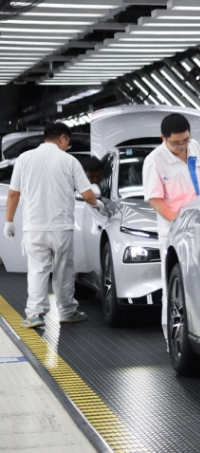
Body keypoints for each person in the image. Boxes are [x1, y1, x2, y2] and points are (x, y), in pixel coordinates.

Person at [4, 122, 104, 328]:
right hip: (61, 226)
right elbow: (87, 194)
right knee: (63, 271)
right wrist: (98, 204)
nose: (68, 146)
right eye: (68, 142)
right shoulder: (69, 160)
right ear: (62, 138)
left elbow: (13, 193)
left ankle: (35, 314)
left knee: (37, 270)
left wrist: (9, 221)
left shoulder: (24, 159)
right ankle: (67, 311)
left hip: (33, 226)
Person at [142, 113, 200, 342]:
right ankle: (173, 341)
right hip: (175, 231)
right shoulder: (154, 161)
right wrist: (179, 223)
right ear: (163, 138)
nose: (182, 146)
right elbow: (156, 201)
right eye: (176, 143)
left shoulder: (195, 147)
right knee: (174, 286)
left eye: (185, 140)